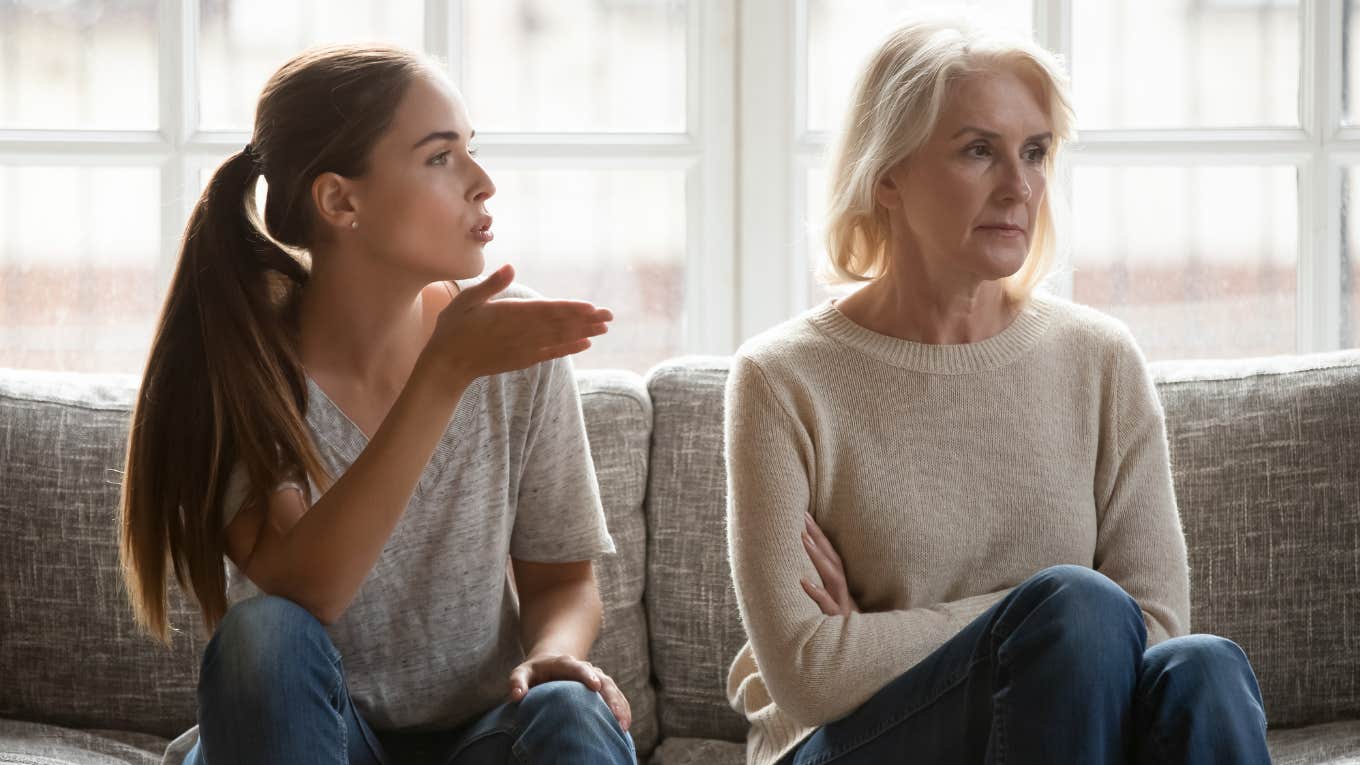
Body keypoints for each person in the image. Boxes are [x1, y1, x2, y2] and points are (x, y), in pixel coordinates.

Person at [723, 18, 1271, 765]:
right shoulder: (782, 380)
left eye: (1036, 152)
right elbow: (810, 673)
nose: (1019, 187)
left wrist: (888, 632)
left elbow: (1157, 624)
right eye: (979, 151)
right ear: (888, 173)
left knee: (1201, 668)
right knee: (1080, 609)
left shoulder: (1099, 359)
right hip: (851, 745)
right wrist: (1037, 620)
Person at [118, 43, 635, 765]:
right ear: (340, 200)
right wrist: (443, 374)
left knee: (571, 709)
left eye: (470, 152)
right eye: (439, 157)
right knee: (261, 637)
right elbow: (307, 591)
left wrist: (551, 656)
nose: (482, 183)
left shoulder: (509, 339)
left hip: (482, 736)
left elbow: (564, 582)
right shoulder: (243, 366)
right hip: (317, 739)